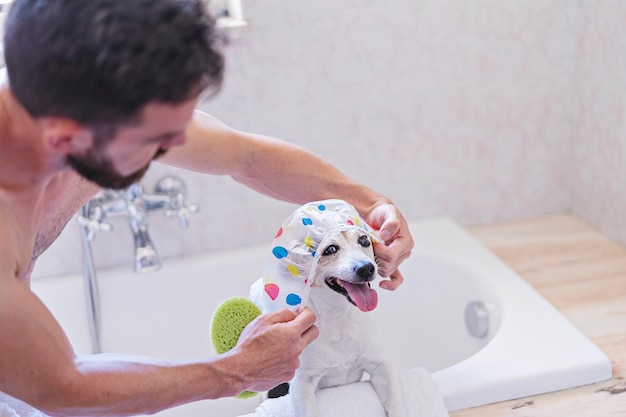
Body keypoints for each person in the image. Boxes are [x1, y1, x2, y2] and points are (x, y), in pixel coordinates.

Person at [0, 0, 414, 416]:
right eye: (158, 140)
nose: (173, 149)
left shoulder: (70, 112)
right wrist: (234, 373)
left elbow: (247, 157)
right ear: (71, 128)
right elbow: (60, 385)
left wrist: (372, 204)